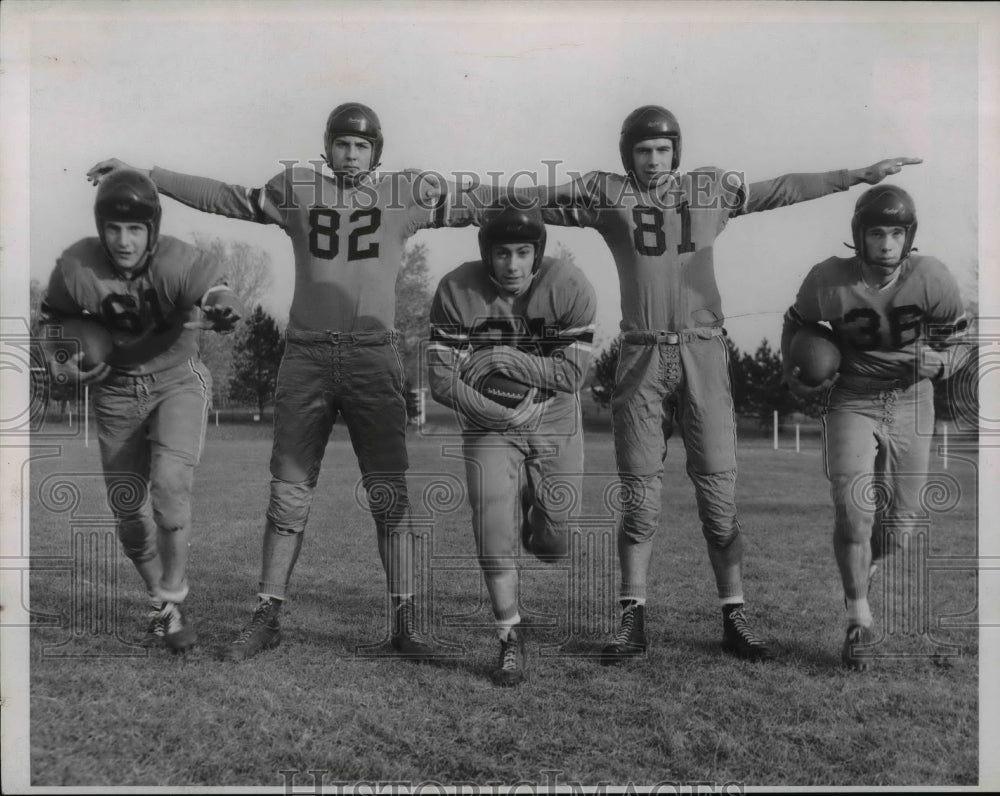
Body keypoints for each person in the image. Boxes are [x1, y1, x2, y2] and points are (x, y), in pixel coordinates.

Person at [88, 103, 490, 662]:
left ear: (377, 151)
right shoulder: (297, 189)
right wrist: (150, 177)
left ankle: (404, 619)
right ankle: (267, 614)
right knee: (288, 494)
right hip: (306, 356)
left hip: (374, 356)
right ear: (327, 147)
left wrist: (553, 199)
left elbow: (477, 204)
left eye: (361, 145)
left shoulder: (405, 193)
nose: (351, 154)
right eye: (342, 143)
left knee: (390, 494)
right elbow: (227, 196)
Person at [523, 104, 923, 663]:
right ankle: (631, 619)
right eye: (643, 151)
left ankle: (734, 614)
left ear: (677, 152)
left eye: (663, 150)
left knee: (718, 495)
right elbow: (534, 203)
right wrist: (476, 204)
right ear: (628, 155)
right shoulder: (610, 196)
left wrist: (855, 175)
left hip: (703, 353)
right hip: (641, 354)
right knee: (640, 498)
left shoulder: (708, 192)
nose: (654, 161)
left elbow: (780, 189)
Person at [41, 169, 244, 652]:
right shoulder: (75, 266)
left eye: (135, 229)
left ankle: (173, 593)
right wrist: (62, 359)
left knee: (171, 486)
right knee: (129, 512)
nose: (124, 240)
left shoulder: (177, 260)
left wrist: (223, 309)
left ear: (152, 229)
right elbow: (52, 322)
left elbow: (219, 291)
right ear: (100, 227)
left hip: (176, 380)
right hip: (113, 390)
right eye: (113, 228)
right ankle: (165, 609)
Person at [781, 184, 967, 671]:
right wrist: (794, 369)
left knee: (899, 529)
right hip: (853, 397)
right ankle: (858, 617)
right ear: (858, 236)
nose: (886, 243)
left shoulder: (932, 277)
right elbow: (795, 322)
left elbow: (958, 336)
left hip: (911, 399)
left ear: (910, 237)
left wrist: (942, 360)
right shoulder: (828, 279)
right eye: (877, 232)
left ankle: (872, 562)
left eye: (896, 233)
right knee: (852, 508)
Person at [427, 199, 597, 685]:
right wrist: (501, 411)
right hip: (488, 421)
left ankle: (534, 501)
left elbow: (571, 374)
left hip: (554, 416)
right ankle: (509, 635)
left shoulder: (569, 285)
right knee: (491, 523)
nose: (513, 265)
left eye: (524, 252)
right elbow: (442, 380)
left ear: (538, 252)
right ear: (487, 253)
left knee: (557, 541)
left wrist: (502, 358)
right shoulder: (457, 289)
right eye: (503, 253)